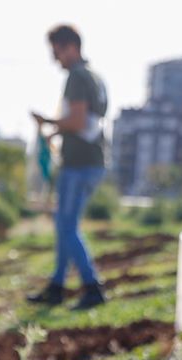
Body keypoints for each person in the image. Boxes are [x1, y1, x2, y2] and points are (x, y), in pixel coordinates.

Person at [28, 24, 109, 310]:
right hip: (90, 162)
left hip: (79, 165)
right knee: (65, 226)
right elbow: (85, 124)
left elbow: (76, 121)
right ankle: (57, 287)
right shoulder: (94, 78)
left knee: (66, 226)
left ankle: (92, 286)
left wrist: (47, 123)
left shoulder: (76, 77)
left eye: (57, 51)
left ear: (71, 47)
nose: (55, 58)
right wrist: (55, 133)